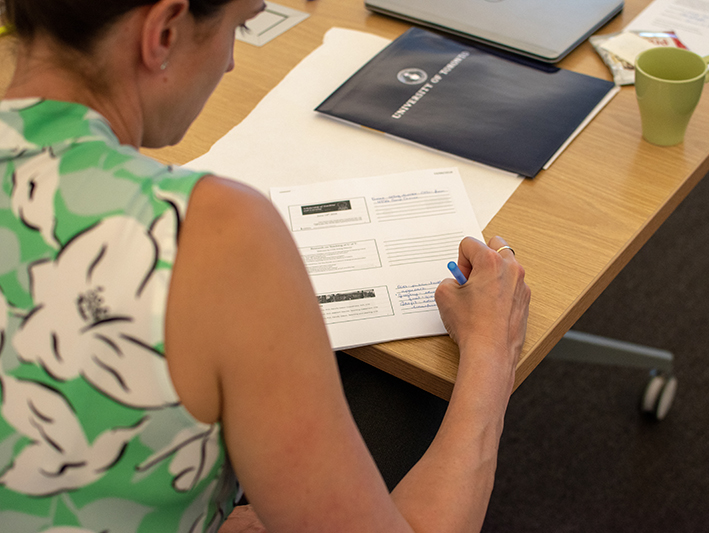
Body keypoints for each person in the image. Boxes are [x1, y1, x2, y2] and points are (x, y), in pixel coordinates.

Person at [0, 0, 531, 532]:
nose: (230, 61)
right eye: (238, 25)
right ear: (163, 32)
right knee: (398, 401)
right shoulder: (209, 232)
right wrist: (492, 349)